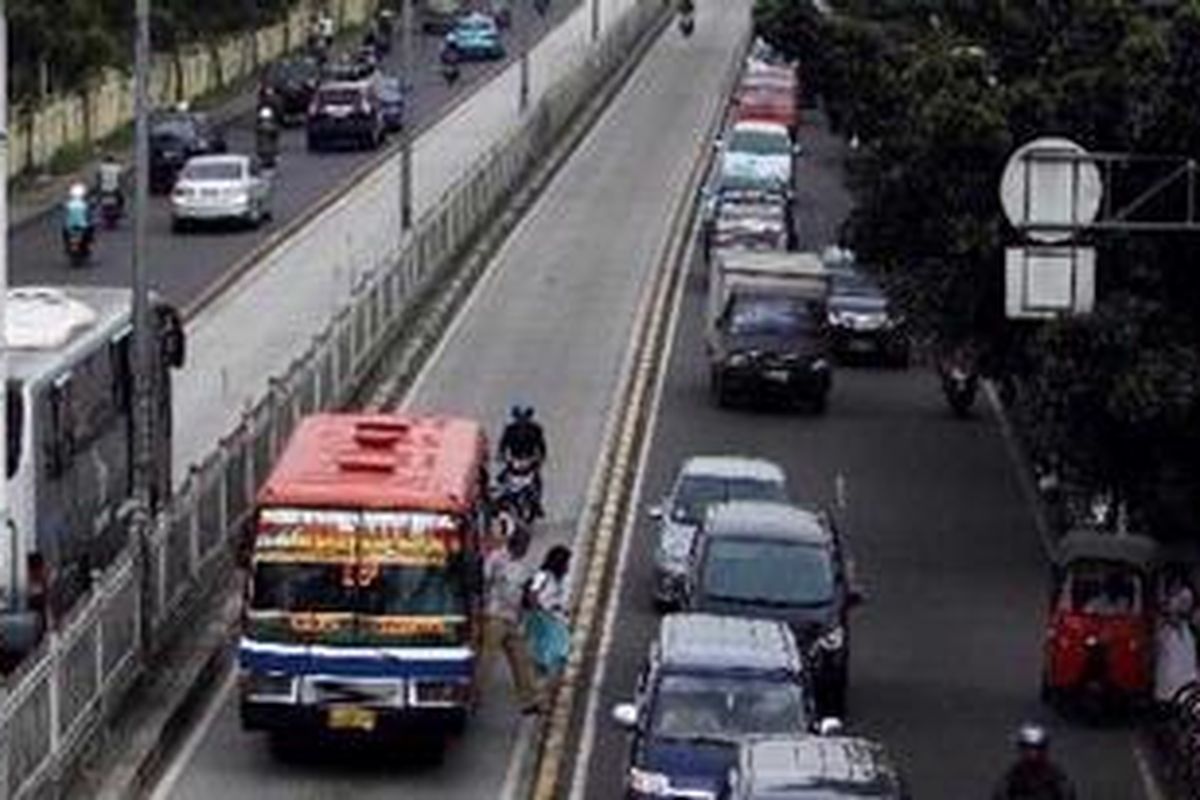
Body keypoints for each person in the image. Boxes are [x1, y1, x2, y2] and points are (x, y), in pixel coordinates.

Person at [477, 523, 541, 714]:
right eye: (524, 543)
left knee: (521, 659)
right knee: (486, 661)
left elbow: (526, 593)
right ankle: (474, 697)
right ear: (517, 542)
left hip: (513, 619)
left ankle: (528, 701)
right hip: (494, 617)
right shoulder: (497, 558)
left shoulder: (524, 567)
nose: (526, 547)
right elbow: (484, 581)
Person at [524, 545, 572, 687]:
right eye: (566, 562)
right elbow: (532, 594)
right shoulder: (542, 575)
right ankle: (541, 680)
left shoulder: (562, 578)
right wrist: (539, 610)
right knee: (546, 650)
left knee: (561, 649)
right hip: (544, 618)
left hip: (557, 617)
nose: (568, 566)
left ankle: (553, 679)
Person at [992, 724, 1077, 800]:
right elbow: (1000, 794)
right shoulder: (1011, 778)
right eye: (1028, 748)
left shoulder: (1058, 777)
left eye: (1037, 748)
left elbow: (1068, 794)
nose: (1032, 753)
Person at [1154, 583, 1198, 711]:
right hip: (1170, 687)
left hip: (1190, 685)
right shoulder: (1164, 627)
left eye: (1188, 602)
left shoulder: (1190, 627)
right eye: (1182, 601)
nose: (1186, 605)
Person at [499, 406, 548, 516]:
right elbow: (503, 445)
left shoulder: (536, 430)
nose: (522, 423)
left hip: (529, 459)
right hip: (515, 459)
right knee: (503, 479)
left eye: (524, 420)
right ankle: (505, 499)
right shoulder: (510, 430)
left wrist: (540, 458)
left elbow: (541, 446)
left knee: (537, 481)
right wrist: (503, 456)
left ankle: (537, 504)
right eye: (520, 420)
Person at [62, 183, 93, 247]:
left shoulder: (69, 204)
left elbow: (65, 213)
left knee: (64, 230)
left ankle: (66, 243)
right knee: (91, 227)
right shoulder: (84, 204)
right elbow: (88, 214)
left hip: (70, 226)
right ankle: (90, 240)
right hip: (82, 226)